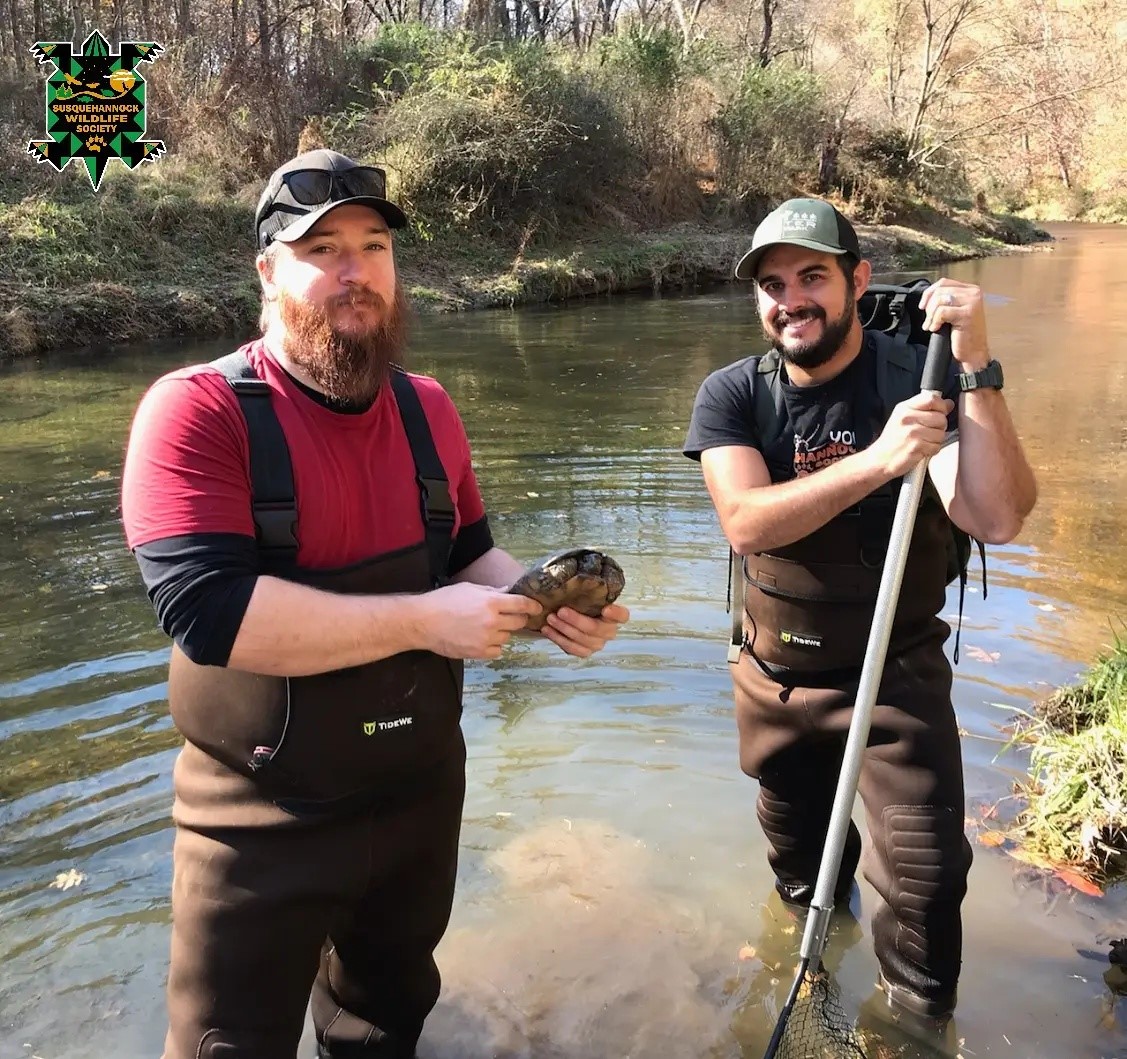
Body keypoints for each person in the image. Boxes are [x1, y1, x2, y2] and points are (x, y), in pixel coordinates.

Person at [120, 147, 630, 1059]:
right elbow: (208, 612)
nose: (355, 272)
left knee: (385, 1025)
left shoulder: (428, 406)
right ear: (268, 270)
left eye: (374, 246)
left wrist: (544, 605)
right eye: (323, 250)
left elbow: (469, 554)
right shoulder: (194, 411)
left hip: (418, 797)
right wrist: (426, 619)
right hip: (256, 817)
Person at [683, 198, 1036, 1042]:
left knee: (922, 887)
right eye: (771, 284)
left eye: (811, 276)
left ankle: (909, 1031)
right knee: (802, 882)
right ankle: (807, 988)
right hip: (774, 683)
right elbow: (745, 521)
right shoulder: (732, 393)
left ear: (857, 279)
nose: (788, 299)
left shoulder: (918, 374)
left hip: (895, 682)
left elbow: (994, 518)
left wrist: (976, 367)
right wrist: (878, 460)